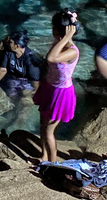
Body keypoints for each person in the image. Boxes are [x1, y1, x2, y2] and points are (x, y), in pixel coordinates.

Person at [33, 9, 80, 163]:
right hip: (49, 87)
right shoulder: (58, 44)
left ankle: (52, 164)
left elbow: (51, 58)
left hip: (60, 93)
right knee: (42, 125)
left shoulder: (72, 51)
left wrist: (67, 37)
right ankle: (44, 156)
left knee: (48, 131)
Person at [0, 29, 41, 100]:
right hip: (13, 78)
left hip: (27, 81)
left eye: (11, 42)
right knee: (10, 95)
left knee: (26, 100)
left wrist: (35, 92)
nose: (9, 43)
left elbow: (35, 80)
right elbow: (3, 69)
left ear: (17, 46)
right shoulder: (8, 52)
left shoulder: (31, 59)